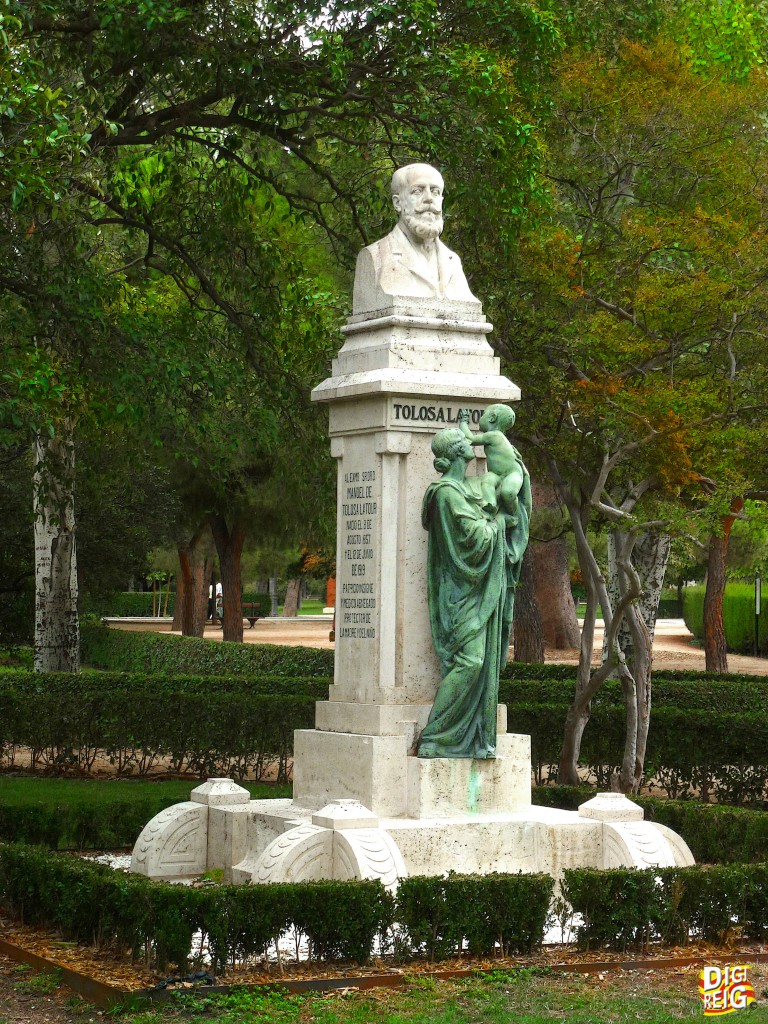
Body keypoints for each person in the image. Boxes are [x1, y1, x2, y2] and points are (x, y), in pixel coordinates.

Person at [417, 427, 530, 759]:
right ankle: (435, 735)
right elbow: (473, 538)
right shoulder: (445, 494)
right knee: (471, 661)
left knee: (475, 662)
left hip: (473, 590)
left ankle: (464, 735)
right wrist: (499, 524)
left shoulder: (464, 488)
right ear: (455, 453)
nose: (473, 441)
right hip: (460, 594)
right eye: (464, 440)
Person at [352, 163, 478, 313]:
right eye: (417, 191)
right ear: (397, 203)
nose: (429, 199)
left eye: (435, 191)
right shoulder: (375, 257)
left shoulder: (453, 261)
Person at [457, 404, 525, 519]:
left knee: (508, 492)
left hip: (512, 473)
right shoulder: (496, 436)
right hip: (496, 474)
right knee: (487, 480)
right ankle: (491, 504)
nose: (480, 418)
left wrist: (463, 422)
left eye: (483, 414)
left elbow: (470, 439)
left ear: (492, 418)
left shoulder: (495, 435)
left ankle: (513, 514)